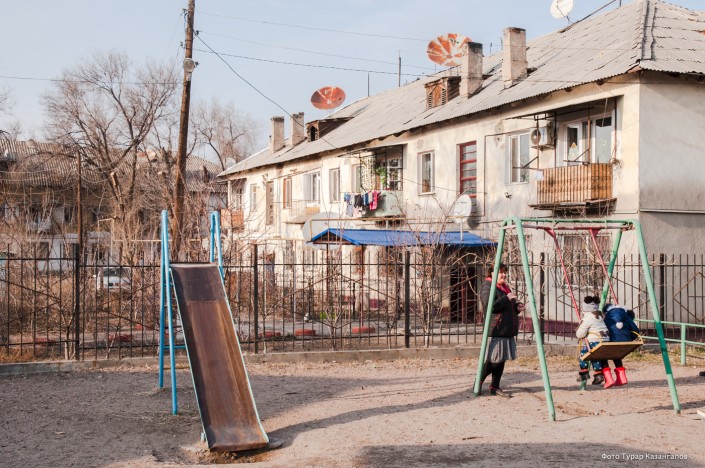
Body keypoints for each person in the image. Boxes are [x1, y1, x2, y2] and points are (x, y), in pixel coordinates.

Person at [478, 263, 525, 398]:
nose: (504, 275)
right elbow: (489, 306)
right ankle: (478, 382)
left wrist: (517, 307)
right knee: (494, 360)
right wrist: (506, 298)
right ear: (492, 273)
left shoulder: (504, 287)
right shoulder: (488, 287)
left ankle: (495, 386)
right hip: (497, 328)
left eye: (505, 272)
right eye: (501, 272)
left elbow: (508, 306)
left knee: (501, 359)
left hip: (506, 329)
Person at [576, 295, 614, 389]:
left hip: (595, 341)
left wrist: (578, 330)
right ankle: (598, 374)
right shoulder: (600, 317)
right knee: (595, 355)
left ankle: (584, 373)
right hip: (605, 341)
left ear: (585, 309)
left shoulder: (587, 318)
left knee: (583, 354)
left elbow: (580, 334)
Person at [603, 304, 640, 386]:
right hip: (626, 341)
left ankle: (609, 380)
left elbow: (603, 329)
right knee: (616, 355)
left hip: (611, 342)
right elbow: (636, 330)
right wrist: (629, 338)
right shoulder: (626, 316)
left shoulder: (608, 317)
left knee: (602, 356)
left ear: (605, 312)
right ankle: (622, 379)